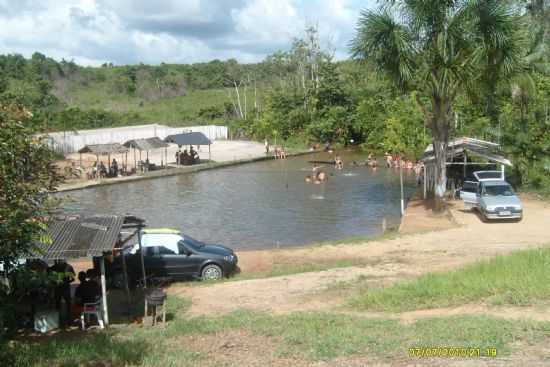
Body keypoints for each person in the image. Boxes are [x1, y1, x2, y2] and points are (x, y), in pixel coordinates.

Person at [48, 260, 75, 326]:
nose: (60, 260)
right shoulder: (53, 268)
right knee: (58, 305)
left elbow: (73, 278)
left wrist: (66, 282)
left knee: (67, 305)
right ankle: (60, 322)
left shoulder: (68, 267)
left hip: (64, 289)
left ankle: (68, 322)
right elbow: (49, 277)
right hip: (60, 289)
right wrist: (55, 282)